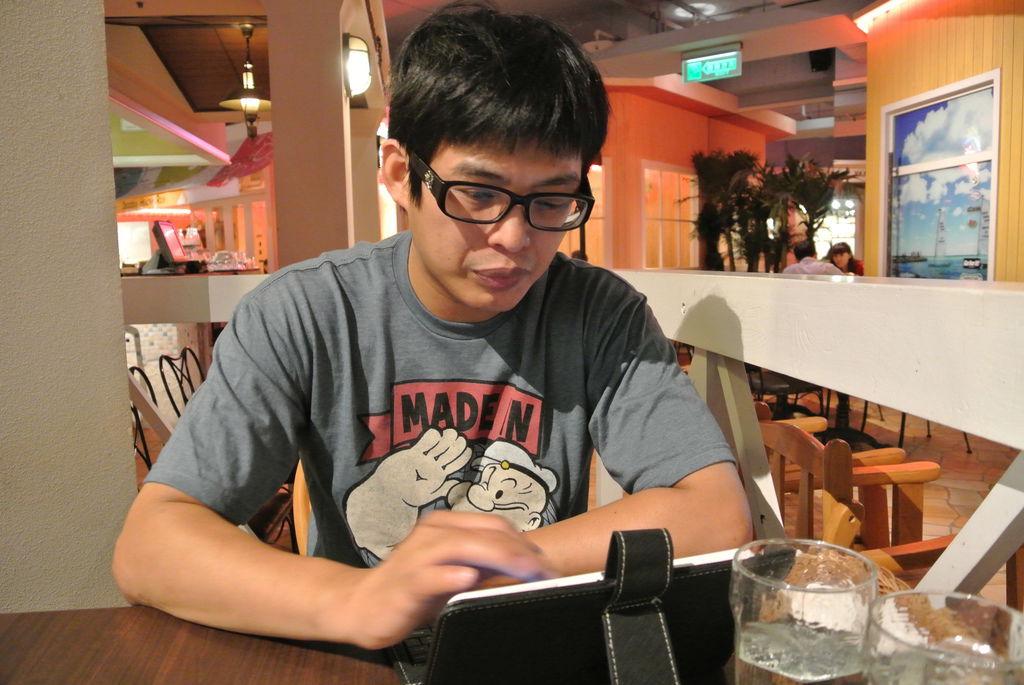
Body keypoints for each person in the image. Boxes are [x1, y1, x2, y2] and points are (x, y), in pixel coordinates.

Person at [113, 2, 751, 651]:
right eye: (479, 193)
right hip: (358, 656)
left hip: (528, 646)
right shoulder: (304, 313)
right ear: (401, 175)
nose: (515, 238)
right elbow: (150, 543)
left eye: (552, 200)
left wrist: (503, 562)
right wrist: (359, 598)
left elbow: (716, 512)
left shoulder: (599, 313)